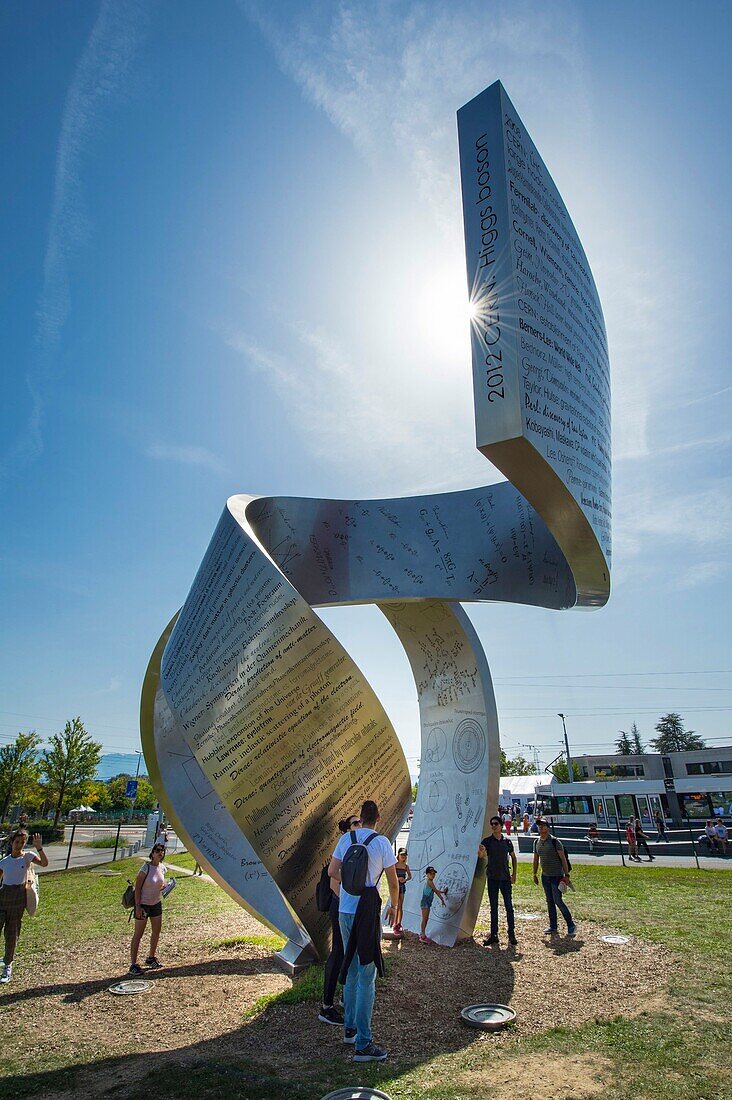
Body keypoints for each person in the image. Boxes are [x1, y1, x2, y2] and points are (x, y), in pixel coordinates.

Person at [329, 800, 399, 1063]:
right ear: (378, 818)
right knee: (367, 972)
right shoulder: (381, 842)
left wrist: (349, 883)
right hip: (367, 914)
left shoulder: (347, 839)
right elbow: (393, 881)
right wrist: (394, 906)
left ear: (360, 817)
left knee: (350, 967)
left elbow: (332, 871)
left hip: (345, 911)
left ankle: (349, 1029)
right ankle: (364, 1043)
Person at [319, 815, 359, 1026]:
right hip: (340, 907)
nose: (359, 826)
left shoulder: (353, 848)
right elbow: (334, 880)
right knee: (339, 951)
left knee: (348, 952)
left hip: (349, 908)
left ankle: (345, 995)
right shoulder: (343, 847)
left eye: (361, 822)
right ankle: (326, 1006)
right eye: (355, 823)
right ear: (347, 829)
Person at [0, 830, 48, 983]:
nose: (19, 845)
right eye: (17, 842)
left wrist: (39, 848)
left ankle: (8, 964)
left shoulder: (27, 856)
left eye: (22, 842)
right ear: (11, 842)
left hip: (19, 896)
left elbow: (44, 863)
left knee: (12, 932)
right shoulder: (4, 861)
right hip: (4, 895)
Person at [532, 819, 576, 936]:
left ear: (548, 827)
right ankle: (553, 926)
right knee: (549, 901)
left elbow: (563, 859)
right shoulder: (536, 842)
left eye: (543, 825)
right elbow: (536, 859)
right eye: (539, 826)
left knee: (558, 901)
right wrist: (534, 873)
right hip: (545, 876)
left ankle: (571, 924)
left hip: (556, 875)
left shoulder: (555, 841)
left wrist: (566, 875)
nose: (540, 828)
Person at [478, 815, 518, 946]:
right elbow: (481, 855)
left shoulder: (507, 842)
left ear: (501, 825)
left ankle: (511, 933)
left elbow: (513, 857)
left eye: (495, 824)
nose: (493, 826)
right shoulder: (487, 841)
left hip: (505, 878)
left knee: (509, 906)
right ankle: (494, 934)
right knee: (493, 907)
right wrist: (481, 851)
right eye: (492, 824)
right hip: (493, 878)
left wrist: (514, 874)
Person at [129, 842, 168, 974]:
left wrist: (165, 887)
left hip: (156, 903)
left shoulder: (163, 868)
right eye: (157, 850)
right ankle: (133, 964)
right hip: (144, 904)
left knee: (156, 931)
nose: (160, 852)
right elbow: (138, 888)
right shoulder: (145, 868)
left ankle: (151, 958)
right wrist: (138, 906)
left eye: (162, 851)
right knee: (138, 934)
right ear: (152, 853)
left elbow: (159, 884)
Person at [419, 866, 447, 943]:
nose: (433, 875)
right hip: (425, 902)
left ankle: (422, 933)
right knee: (424, 919)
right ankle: (422, 935)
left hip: (427, 902)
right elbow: (436, 891)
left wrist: (443, 892)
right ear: (427, 874)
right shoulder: (429, 882)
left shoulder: (429, 881)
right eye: (431, 874)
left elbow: (435, 890)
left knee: (426, 919)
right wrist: (442, 899)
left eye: (434, 874)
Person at [393, 847, 412, 935]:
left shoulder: (405, 866)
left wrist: (404, 880)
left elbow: (409, 876)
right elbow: (391, 875)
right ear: (398, 855)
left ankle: (399, 923)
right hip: (396, 886)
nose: (403, 857)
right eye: (401, 855)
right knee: (396, 905)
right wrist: (397, 879)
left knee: (401, 906)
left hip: (402, 887)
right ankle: (394, 923)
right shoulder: (395, 864)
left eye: (404, 855)